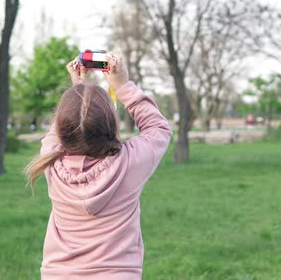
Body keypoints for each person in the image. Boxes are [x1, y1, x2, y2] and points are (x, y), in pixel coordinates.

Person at [24, 54, 171, 280]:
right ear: (110, 125)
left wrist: (78, 91)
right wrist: (122, 86)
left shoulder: (50, 161)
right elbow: (157, 128)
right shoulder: (130, 162)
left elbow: (61, 131)